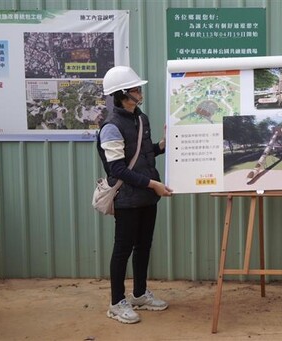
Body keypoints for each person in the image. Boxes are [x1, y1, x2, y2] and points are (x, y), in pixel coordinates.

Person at [98, 65, 173, 324]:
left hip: (147, 197)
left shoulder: (141, 119)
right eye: (135, 89)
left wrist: (162, 145)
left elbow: (144, 154)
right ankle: (117, 302)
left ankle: (140, 294)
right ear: (121, 94)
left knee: (143, 246)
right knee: (123, 250)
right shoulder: (111, 126)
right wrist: (153, 184)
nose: (140, 92)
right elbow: (118, 168)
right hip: (128, 199)